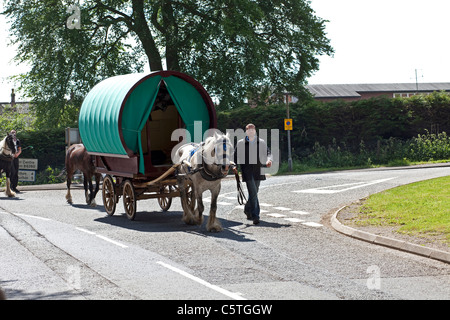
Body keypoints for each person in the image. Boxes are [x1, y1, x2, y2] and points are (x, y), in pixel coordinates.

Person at [233, 123, 272, 225]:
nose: (251, 131)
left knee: (254, 192)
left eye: (252, 129)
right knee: (253, 192)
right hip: (247, 171)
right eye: (248, 129)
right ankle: (256, 216)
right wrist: (234, 166)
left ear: (255, 130)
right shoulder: (241, 143)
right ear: (246, 131)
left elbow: (268, 152)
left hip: (258, 171)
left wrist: (269, 160)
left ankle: (247, 209)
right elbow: (235, 156)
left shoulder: (261, 142)